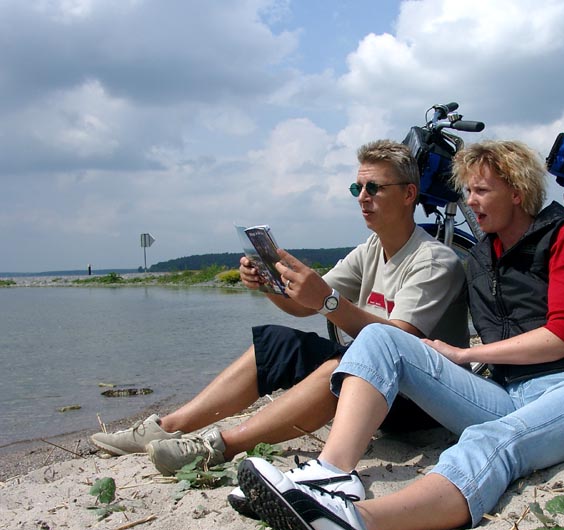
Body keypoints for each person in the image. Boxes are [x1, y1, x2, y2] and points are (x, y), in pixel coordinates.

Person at [234, 140, 564, 530]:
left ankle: (360, 526)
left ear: (517, 192)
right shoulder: (479, 258)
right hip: (509, 392)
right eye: (467, 191)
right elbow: (360, 318)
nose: (470, 202)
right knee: (382, 338)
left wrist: (464, 352)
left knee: (491, 441)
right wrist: (277, 283)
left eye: (482, 191)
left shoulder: (563, 236)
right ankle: (332, 474)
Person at [90, 140, 469, 495]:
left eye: (374, 189)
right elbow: (305, 305)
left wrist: (328, 302)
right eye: (357, 190)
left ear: (408, 195)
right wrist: (271, 285)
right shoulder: (371, 248)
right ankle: (166, 427)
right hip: (375, 385)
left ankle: (218, 447)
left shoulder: (434, 260)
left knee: (347, 363)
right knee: (276, 342)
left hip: (421, 403)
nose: (363, 199)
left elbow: (397, 341)